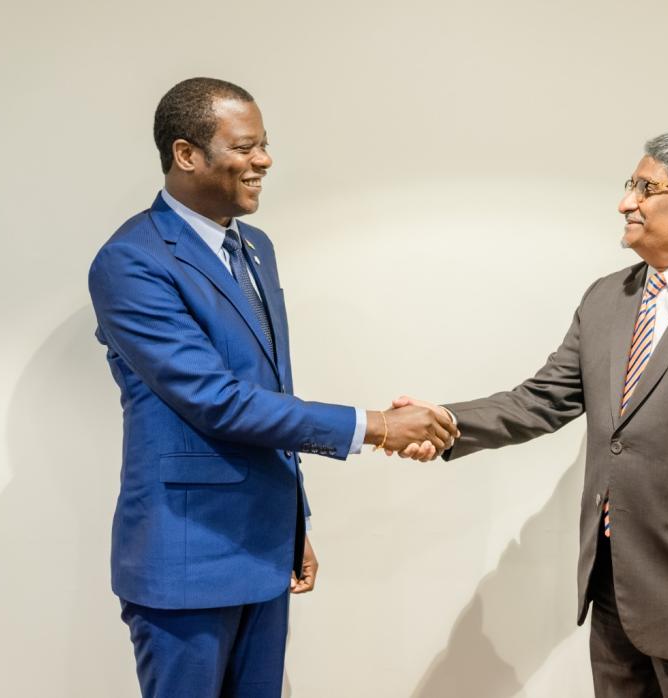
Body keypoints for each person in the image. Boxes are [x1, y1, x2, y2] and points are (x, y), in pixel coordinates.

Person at [396, 131, 668, 698]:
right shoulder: (606, 298)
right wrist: (445, 421)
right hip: (612, 595)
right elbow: (541, 399)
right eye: (631, 186)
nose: (626, 202)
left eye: (647, 189)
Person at [88, 77, 458, 698]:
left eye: (264, 144)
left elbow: (269, 392)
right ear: (186, 154)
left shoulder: (255, 248)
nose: (264, 160)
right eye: (245, 147)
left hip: (262, 550)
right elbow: (216, 402)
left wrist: (291, 523)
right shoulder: (132, 261)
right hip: (187, 559)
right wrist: (376, 425)